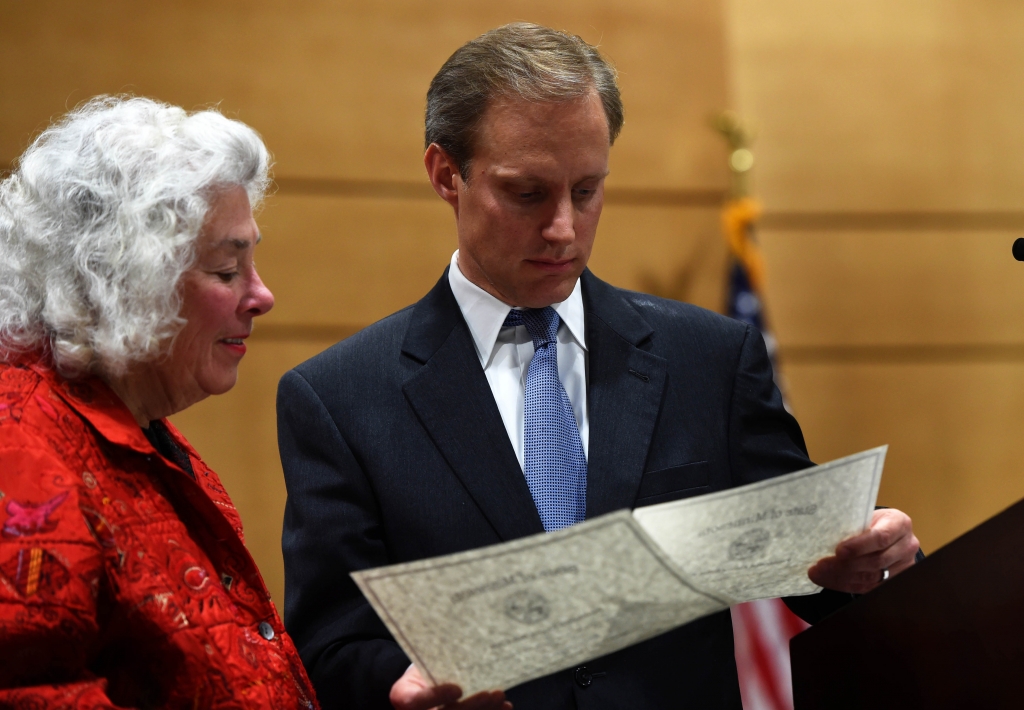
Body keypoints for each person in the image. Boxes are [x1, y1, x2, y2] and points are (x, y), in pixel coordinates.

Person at [277, 23, 920, 710]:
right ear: (445, 175)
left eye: (586, 192)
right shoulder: (339, 399)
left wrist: (874, 561)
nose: (563, 228)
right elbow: (331, 644)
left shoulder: (710, 360)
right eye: (528, 194)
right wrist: (395, 687)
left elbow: (811, 567)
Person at [0, 97, 318, 708]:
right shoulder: (22, 452)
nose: (262, 295)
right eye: (227, 270)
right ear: (121, 279)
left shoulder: (140, 436)